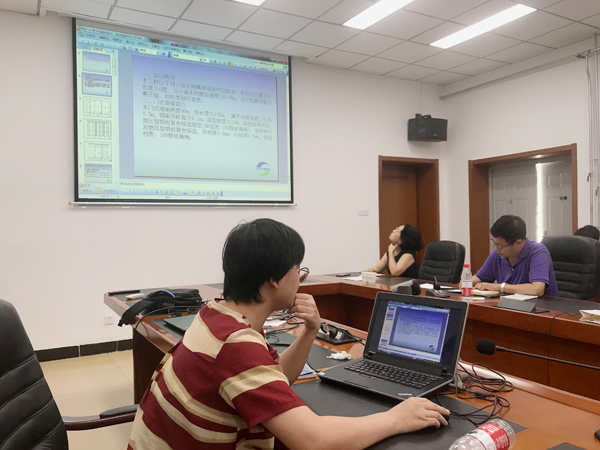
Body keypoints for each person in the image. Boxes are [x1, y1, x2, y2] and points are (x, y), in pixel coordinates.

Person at [127, 218, 448, 450]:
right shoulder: (236, 346)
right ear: (274, 279)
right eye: (298, 270)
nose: (300, 279)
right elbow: (313, 440)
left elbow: (275, 375)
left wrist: (310, 331)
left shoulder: (215, 315)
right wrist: (397, 418)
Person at [473, 215, 558, 297]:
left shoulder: (538, 252)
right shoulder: (498, 253)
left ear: (518, 243)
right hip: (508, 303)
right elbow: (479, 278)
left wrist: (499, 287)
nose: (496, 249)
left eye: (500, 245)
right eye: (494, 243)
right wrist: (468, 282)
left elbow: (537, 289)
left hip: (540, 305)